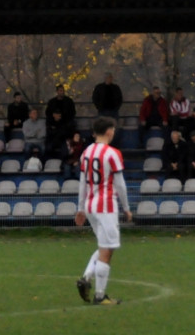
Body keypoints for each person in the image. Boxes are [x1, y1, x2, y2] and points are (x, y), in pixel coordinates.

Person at [75, 116, 132, 306]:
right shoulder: (112, 153)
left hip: (91, 206)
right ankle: (99, 296)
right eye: (113, 129)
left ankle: (86, 278)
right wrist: (126, 207)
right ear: (108, 131)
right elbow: (120, 185)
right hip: (106, 205)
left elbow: (82, 183)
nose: (113, 132)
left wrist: (80, 208)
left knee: (103, 246)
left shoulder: (86, 152)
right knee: (108, 249)